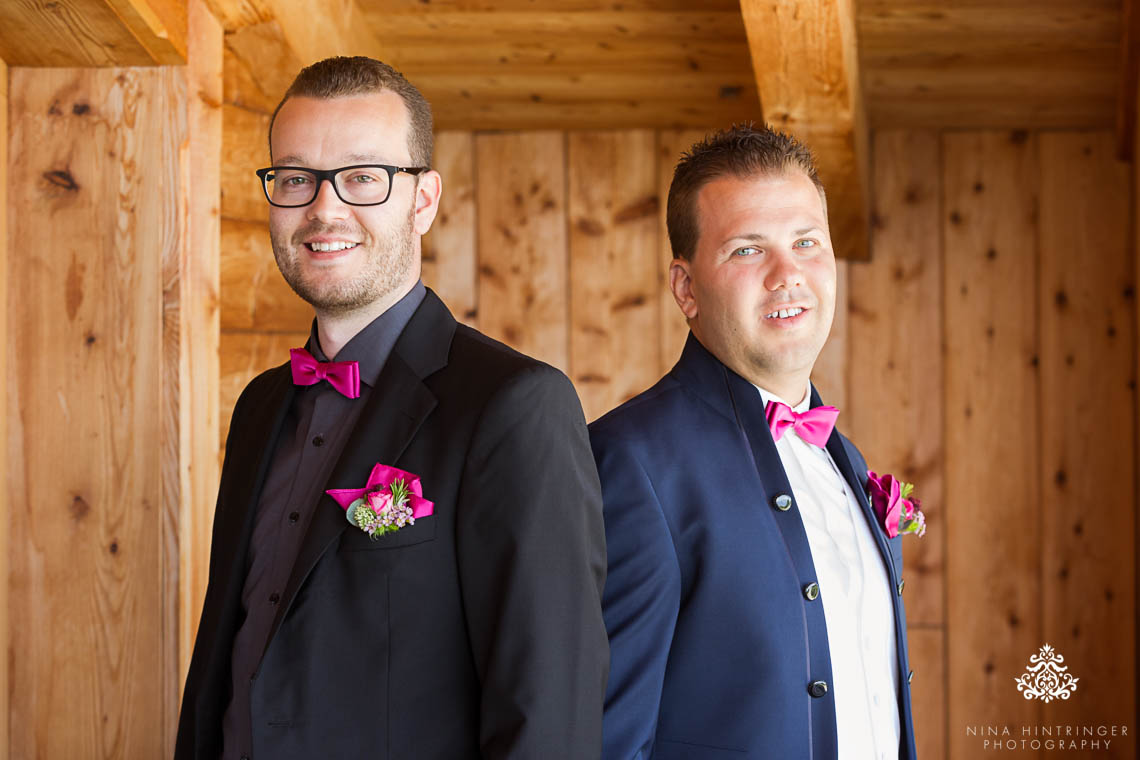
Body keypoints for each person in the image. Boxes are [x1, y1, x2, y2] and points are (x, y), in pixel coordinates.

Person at [175, 56, 607, 760]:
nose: (324, 208)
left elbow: (547, 714)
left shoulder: (515, 406)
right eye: (295, 178)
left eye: (362, 178)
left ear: (423, 200)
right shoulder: (259, 407)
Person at [591, 124, 918, 760]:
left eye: (806, 243)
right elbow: (605, 739)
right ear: (685, 288)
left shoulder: (845, 461)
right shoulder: (629, 461)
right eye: (747, 250)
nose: (787, 274)